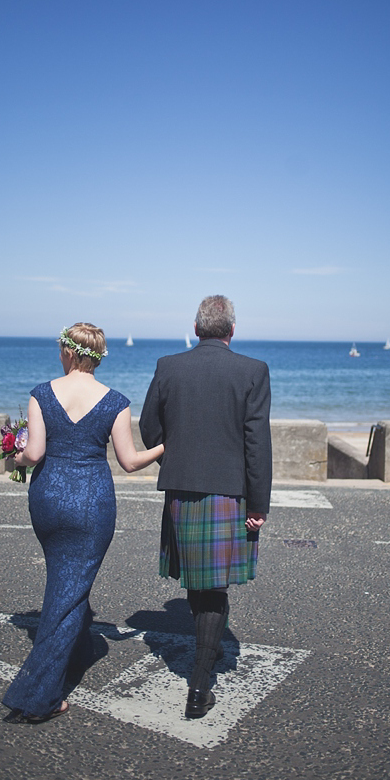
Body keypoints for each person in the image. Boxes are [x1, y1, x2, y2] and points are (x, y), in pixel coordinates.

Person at [3, 322, 164, 723]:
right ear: (97, 356)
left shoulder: (42, 393)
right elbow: (129, 462)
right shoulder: (116, 401)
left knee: (66, 580)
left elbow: (35, 452)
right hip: (92, 501)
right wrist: (166, 446)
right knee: (71, 589)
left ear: (69, 352)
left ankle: (71, 653)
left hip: (48, 498)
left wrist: (14, 457)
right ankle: (39, 696)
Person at [139, 295, 272, 718]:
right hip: (230, 494)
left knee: (200, 584)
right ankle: (199, 684)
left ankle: (204, 658)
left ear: (196, 329)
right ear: (232, 331)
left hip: (182, 491)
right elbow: (257, 444)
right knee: (213, 588)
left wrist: (173, 460)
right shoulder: (253, 370)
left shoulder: (168, 366)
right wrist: (258, 502)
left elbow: (148, 427)